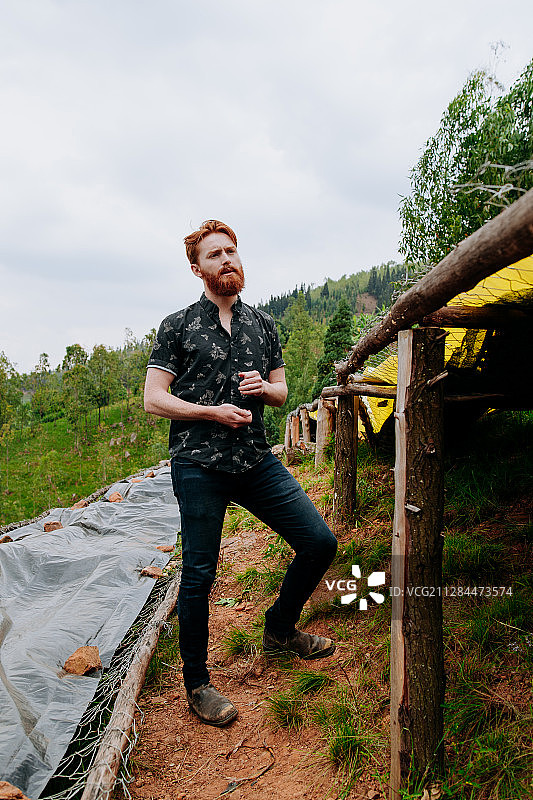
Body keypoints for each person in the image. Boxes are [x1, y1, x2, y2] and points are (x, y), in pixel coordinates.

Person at [144, 219, 337, 727]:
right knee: (199, 575)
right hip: (198, 465)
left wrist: (263, 389)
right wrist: (211, 412)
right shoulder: (177, 326)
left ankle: (279, 628)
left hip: (255, 460)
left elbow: (281, 390)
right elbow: (154, 399)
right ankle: (198, 684)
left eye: (231, 251)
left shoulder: (263, 325)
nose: (227, 259)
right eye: (215, 254)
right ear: (196, 269)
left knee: (320, 542)